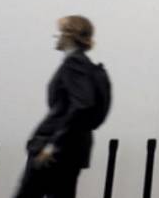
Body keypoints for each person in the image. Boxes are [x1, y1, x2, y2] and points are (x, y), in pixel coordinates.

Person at [14, 15, 111, 198]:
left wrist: (51, 146)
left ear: (69, 35)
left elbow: (82, 105)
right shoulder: (87, 66)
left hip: (56, 149)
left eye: (59, 33)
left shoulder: (74, 63)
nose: (56, 37)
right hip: (72, 148)